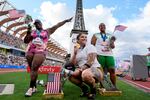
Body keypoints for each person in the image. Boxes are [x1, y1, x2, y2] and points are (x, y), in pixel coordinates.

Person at [24, 17, 72, 97]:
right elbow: (25, 41)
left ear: (41, 24)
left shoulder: (47, 31)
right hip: (30, 50)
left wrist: (66, 20)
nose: (37, 24)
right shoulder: (32, 32)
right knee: (33, 69)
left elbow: (57, 25)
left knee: (34, 67)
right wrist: (28, 31)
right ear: (34, 25)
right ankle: (35, 87)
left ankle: (30, 88)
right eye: (35, 24)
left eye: (38, 23)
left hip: (41, 50)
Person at [69, 33, 103, 100]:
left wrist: (80, 69)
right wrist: (75, 53)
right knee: (70, 75)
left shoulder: (90, 46)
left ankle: (93, 91)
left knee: (86, 74)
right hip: (83, 70)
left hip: (95, 69)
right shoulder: (77, 50)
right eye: (82, 37)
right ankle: (85, 89)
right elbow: (72, 64)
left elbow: (91, 61)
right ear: (77, 40)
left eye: (85, 37)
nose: (84, 38)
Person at [91, 23, 117, 90]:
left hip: (109, 54)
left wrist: (112, 41)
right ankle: (103, 86)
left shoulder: (110, 35)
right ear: (99, 28)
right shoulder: (95, 35)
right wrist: (94, 54)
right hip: (100, 54)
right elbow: (92, 45)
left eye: (103, 26)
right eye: (100, 26)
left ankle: (114, 86)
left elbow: (113, 47)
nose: (102, 27)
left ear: (105, 27)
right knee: (100, 72)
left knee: (112, 70)